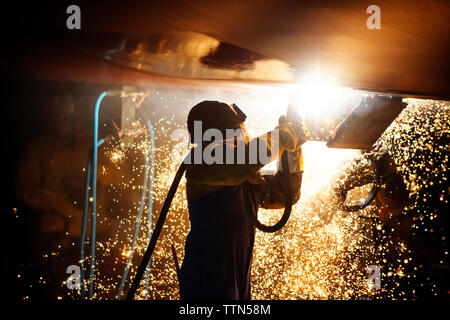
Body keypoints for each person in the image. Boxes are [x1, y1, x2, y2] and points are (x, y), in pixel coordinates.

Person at [179, 101, 309, 300]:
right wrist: (285, 136)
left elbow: (285, 195)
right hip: (207, 283)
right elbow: (245, 159)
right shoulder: (201, 163)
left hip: (235, 282)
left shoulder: (243, 176)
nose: (245, 136)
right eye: (239, 132)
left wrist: (293, 148)